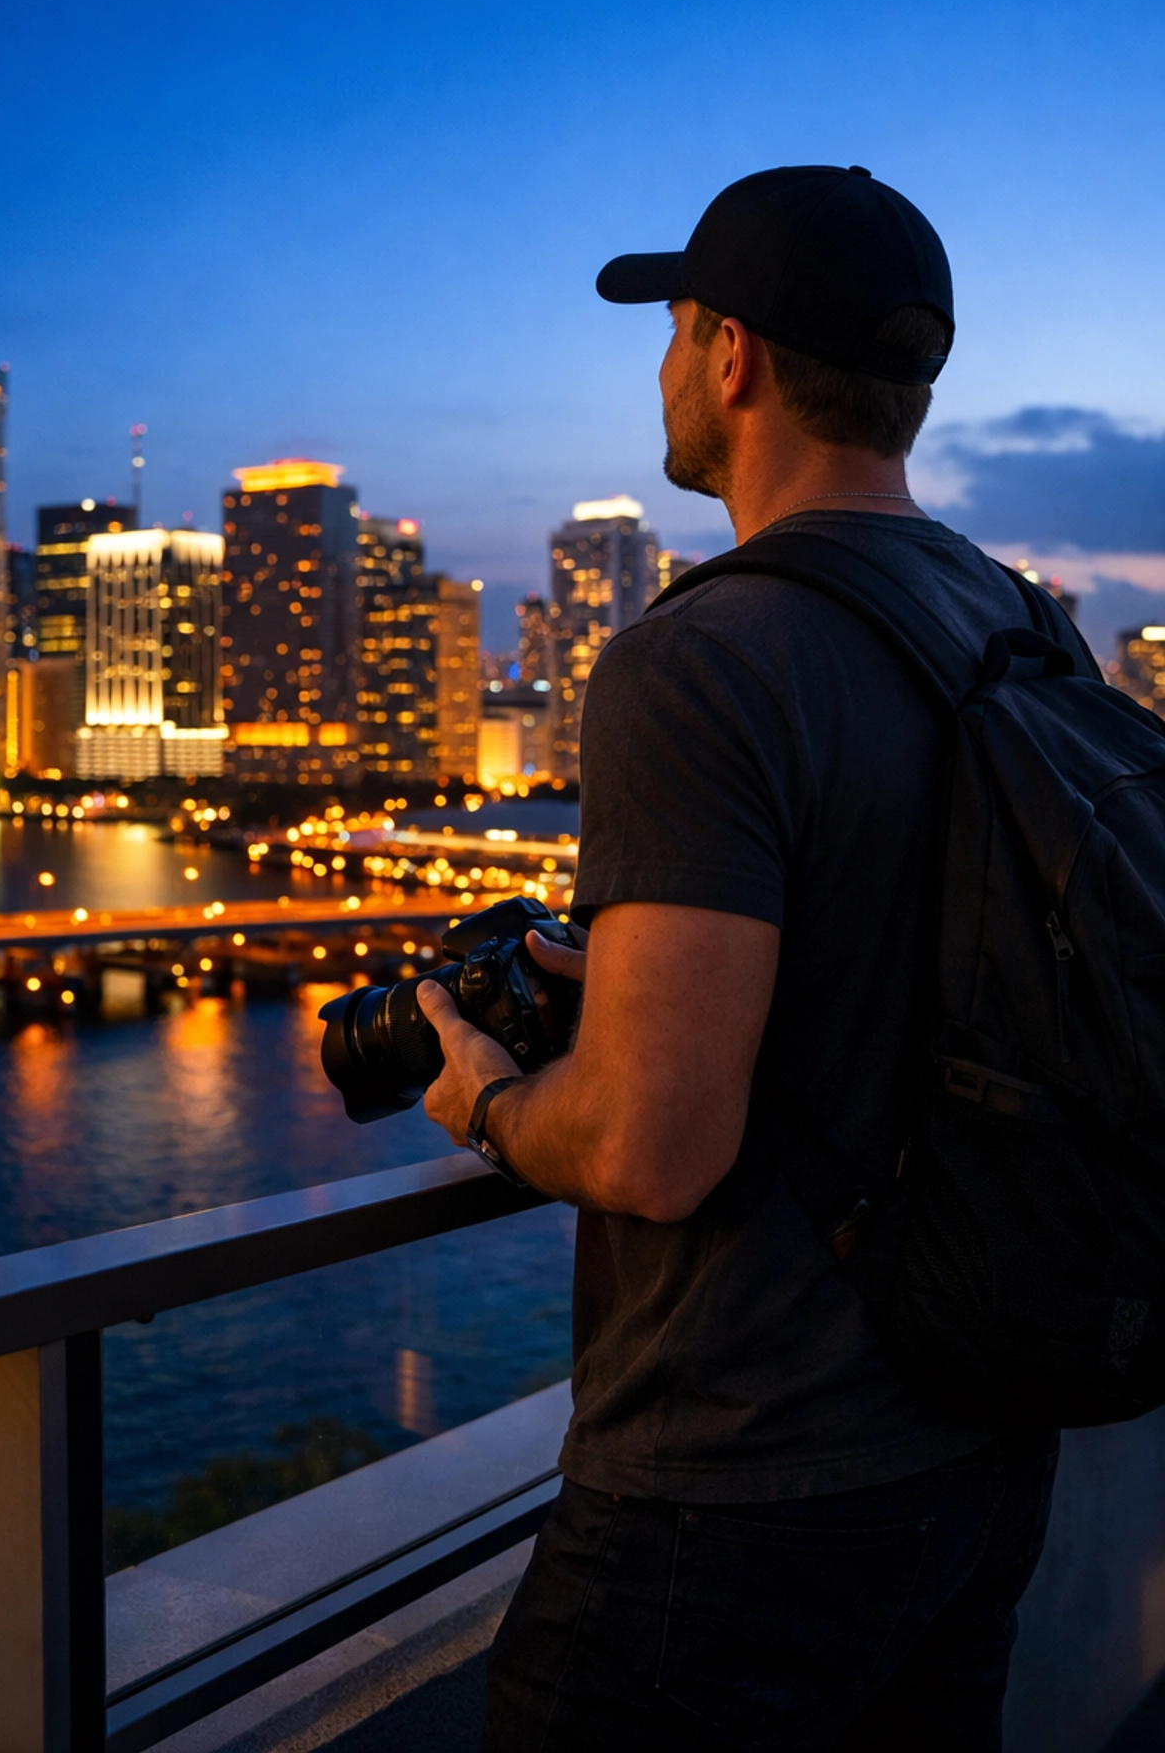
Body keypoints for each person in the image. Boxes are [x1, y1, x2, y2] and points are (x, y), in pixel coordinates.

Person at [419, 165, 1073, 1751]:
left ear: (733, 358)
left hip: (734, 1491)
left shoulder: (698, 659)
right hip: (981, 1445)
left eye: (672, 327)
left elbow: (653, 1143)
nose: (660, 366)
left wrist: (494, 1100)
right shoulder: (1022, 627)